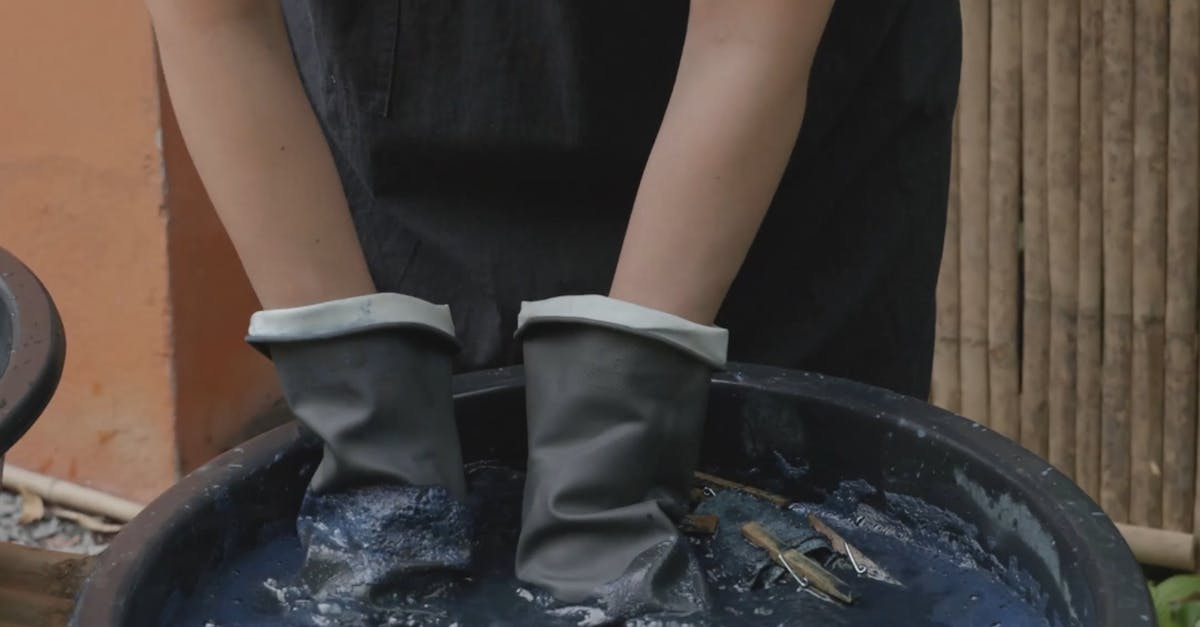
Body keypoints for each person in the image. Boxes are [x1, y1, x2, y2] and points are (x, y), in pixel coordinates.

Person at [145, 0, 961, 620]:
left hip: (777, 141)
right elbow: (213, 19)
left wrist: (608, 475)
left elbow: (748, 36)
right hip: (408, 94)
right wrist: (376, 460)